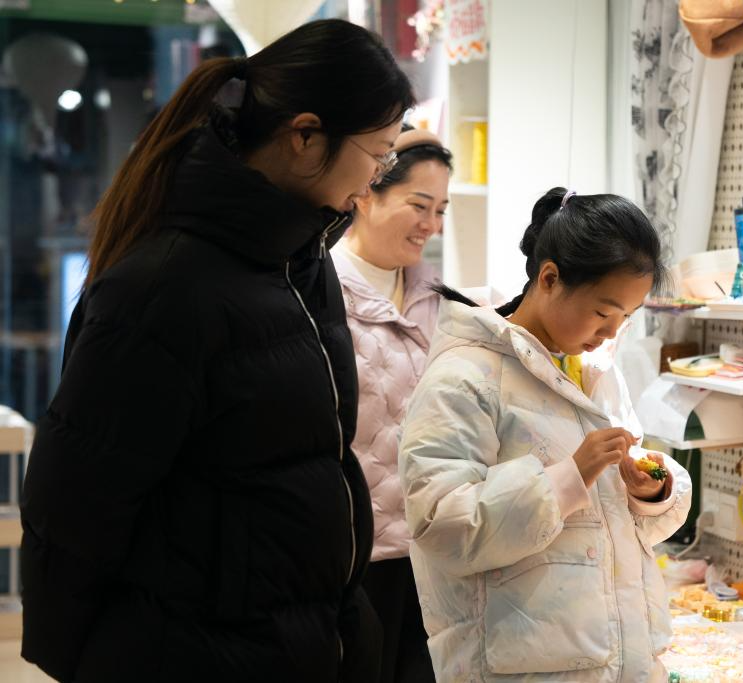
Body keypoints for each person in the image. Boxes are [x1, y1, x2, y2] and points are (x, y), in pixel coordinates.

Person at [19, 19, 414, 683]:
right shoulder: (164, 288)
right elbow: (75, 507)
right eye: (379, 153)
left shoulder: (303, 262)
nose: (378, 177)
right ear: (305, 136)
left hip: (303, 643)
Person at [399, 188, 693, 682]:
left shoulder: (593, 371)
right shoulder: (464, 377)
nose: (611, 333)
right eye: (603, 313)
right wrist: (569, 476)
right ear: (550, 278)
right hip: (518, 669)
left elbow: (619, 522)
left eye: (625, 318)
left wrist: (650, 490)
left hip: (617, 663)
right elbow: (443, 526)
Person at [329, 126, 451, 683]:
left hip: (433, 551)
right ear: (366, 194)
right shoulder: (320, 293)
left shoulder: (441, 299)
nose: (432, 224)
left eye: (441, 210)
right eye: (419, 205)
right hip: (352, 556)